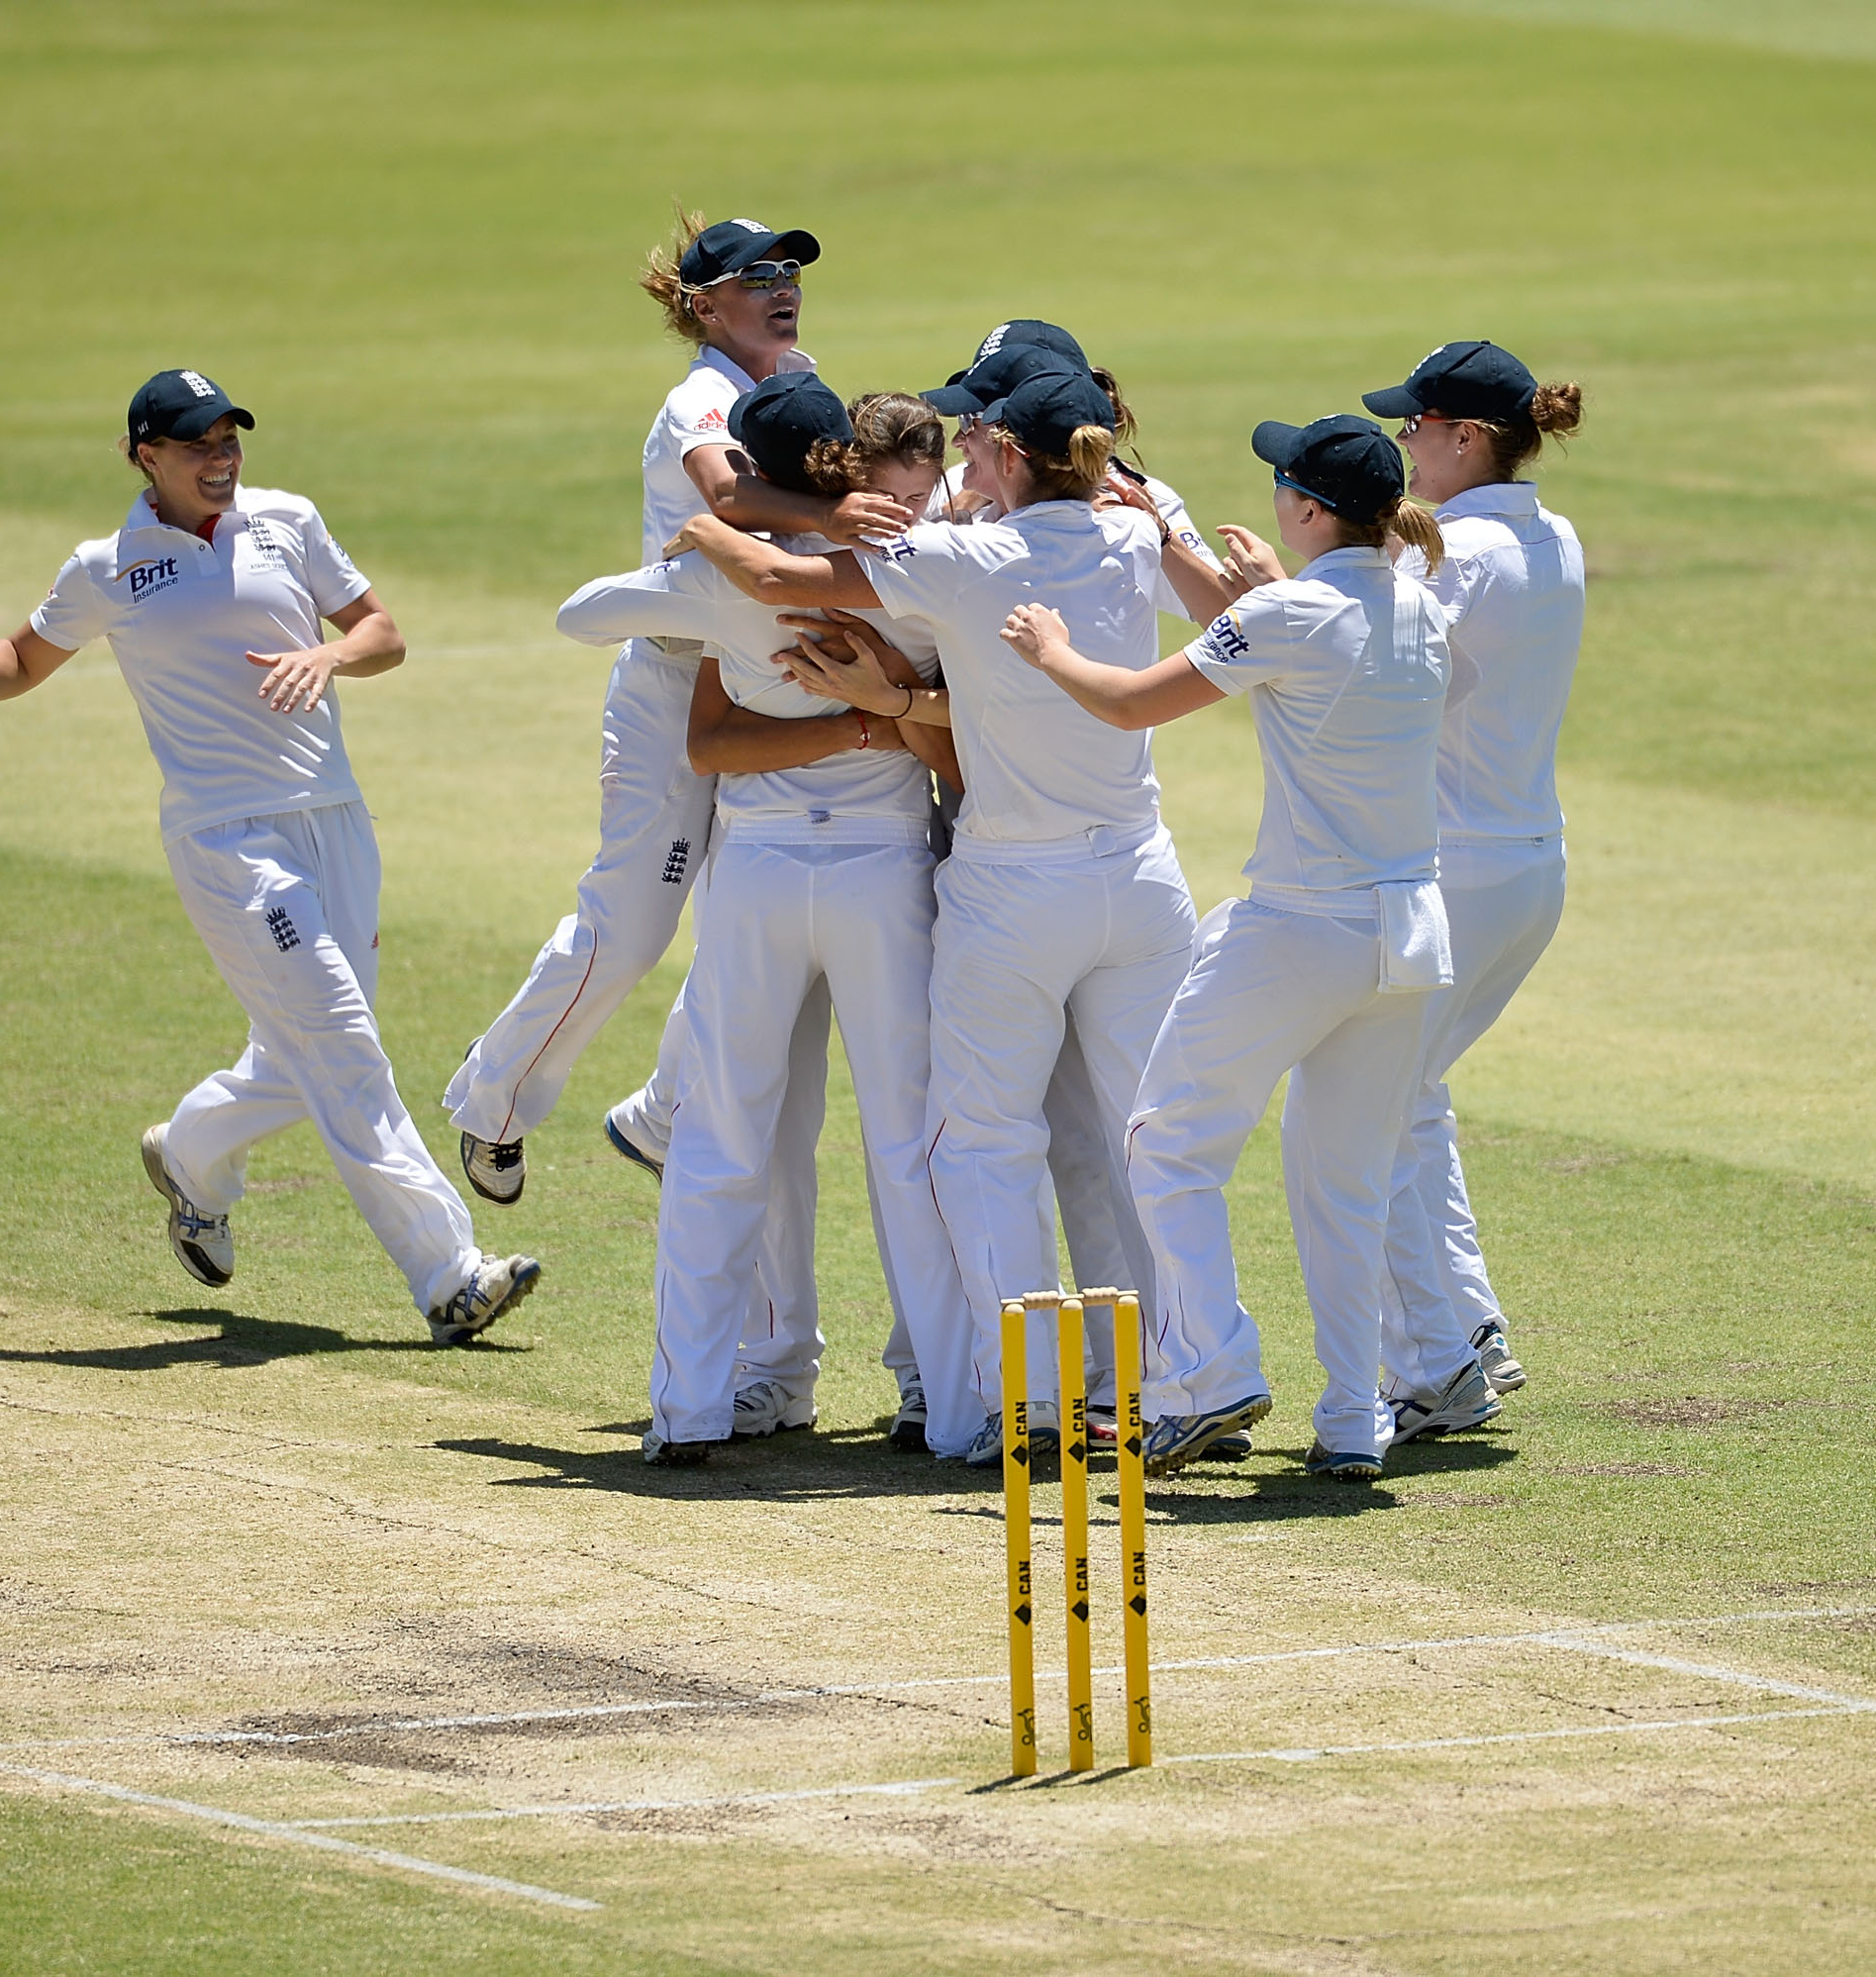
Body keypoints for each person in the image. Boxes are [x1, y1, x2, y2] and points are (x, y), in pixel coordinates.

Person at [0, 369, 541, 1343]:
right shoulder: (107, 564)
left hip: (335, 817)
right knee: (340, 1040)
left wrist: (329, 657)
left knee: (308, 1055)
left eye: (230, 438)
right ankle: (449, 1274)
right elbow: (23, 658)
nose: (222, 457)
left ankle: (193, 1156)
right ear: (145, 456)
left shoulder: (288, 520)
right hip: (227, 839)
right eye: (198, 443)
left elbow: (383, 632)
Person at [670, 367, 1195, 1467]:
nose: (951, 467)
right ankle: (1181, 1380)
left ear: (1001, 448)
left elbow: (764, 572)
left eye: (973, 436)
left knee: (969, 1148)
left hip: (996, 883)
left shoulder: (961, 555)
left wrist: (709, 534)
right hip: (1122, 875)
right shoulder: (1126, 535)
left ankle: (1003, 1403)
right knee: (1135, 1138)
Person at [443, 214, 904, 1280]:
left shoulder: (801, 373)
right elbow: (731, 495)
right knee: (634, 925)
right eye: (757, 276)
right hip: (669, 676)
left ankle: (659, 1116)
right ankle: (495, 1097)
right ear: (705, 304)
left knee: (759, 917)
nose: (783, 288)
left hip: (767, 669)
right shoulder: (695, 397)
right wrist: (845, 522)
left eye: (789, 271)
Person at [1000, 414, 1451, 1480]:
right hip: (1408, 936)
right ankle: (1351, 1422)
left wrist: (1050, 647)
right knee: (1347, 1183)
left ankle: (1211, 1372)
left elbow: (1129, 701)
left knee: (1163, 1143)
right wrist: (1201, 562)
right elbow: (1280, 646)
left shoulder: (1292, 613)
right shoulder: (1417, 607)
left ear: (1303, 508)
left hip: (1302, 927)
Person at [550, 377, 974, 1464]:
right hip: (889, 877)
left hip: (761, 882)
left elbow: (581, 616)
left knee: (720, 1138)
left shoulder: (717, 572)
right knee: (909, 1144)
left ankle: (687, 1407)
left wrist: (696, 545)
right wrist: (868, 721)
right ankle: (955, 1406)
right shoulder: (933, 572)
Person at [1350, 341, 1587, 1436]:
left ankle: (1431, 1365)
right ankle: (1469, 1326)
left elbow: (1376, 672)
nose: (1401, 441)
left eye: (1414, 425)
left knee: (1367, 1106)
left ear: (1467, 437)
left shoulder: (1459, 551)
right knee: (1415, 1092)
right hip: (1529, 863)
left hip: (1454, 870)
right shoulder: (1551, 531)